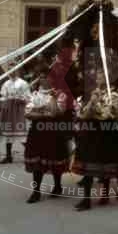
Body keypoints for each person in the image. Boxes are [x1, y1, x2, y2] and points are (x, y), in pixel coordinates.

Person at [72, 69, 118, 211]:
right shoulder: (93, 93)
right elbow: (83, 114)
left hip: (107, 133)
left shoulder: (115, 96)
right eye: (98, 77)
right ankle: (86, 199)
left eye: (101, 77)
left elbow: (108, 115)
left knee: (105, 165)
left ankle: (104, 195)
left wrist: (97, 103)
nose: (98, 79)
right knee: (88, 166)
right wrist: (91, 104)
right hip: (91, 133)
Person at [23, 72, 71, 203]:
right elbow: (28, 113)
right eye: (42, 77)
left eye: (47, 77)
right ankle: (36, 191)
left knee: (54, 157)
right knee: (37, 159)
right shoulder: (34, 94)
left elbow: (56, 113)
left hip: (54, 131)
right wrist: (44, 112)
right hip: (37, 131)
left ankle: (57, 186)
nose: (44, 80)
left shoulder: (60, 94)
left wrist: (41, 109)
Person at [0, 63, 31, 164]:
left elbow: (28, 97)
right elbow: (2, 96)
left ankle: (29, 154)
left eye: (14, 70)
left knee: (21, 133)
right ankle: (8, 156)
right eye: (10, 70)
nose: (12, 72)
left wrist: (20, 99)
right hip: (8, 110)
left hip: (18, 110)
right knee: (8, 134)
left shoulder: (23, 83)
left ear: (17, 71)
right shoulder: (6, 83)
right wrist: (4, 101)